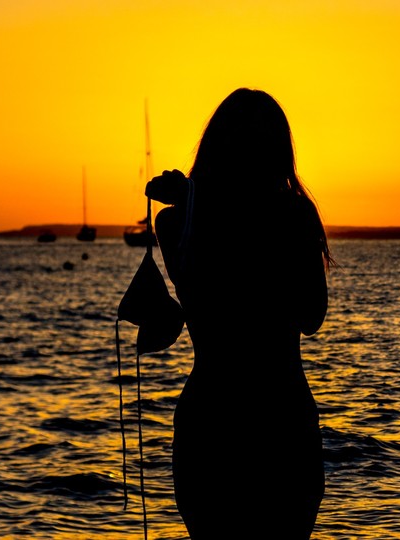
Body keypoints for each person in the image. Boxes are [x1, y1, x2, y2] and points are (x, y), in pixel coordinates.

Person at [145, 87, 333, 539]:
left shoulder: (184, 219)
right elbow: (311, 314)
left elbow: (310, 315)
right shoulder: (289, 218)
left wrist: (196, 197)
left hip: (219, 421)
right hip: (274, 419)